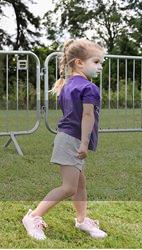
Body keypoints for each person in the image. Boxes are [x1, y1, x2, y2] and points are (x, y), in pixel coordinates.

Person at [22, 39, 107, 241]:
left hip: (66, 138)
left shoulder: (67, 85)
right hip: (73, 140)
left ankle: (81, 219)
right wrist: (84, 143)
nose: (100, 66)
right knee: (69, 187)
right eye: (96, 62)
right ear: (79, 62)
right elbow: (87, 116)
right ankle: (33, 217)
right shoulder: (88, 88)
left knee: (80, 186)